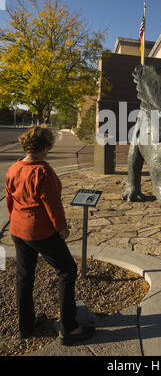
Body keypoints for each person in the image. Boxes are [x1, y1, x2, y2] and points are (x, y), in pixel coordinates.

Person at [5, 125, 95, 345]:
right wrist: (61, 228)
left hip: (18, 228)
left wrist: (16, 221)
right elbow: (52, 205)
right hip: (40, 230)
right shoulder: (43, 171)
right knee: (66, 270)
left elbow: (10, 201)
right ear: (45, 147)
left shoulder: (13, 168)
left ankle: (25, 327)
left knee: (24, 277)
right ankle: (70, 328)